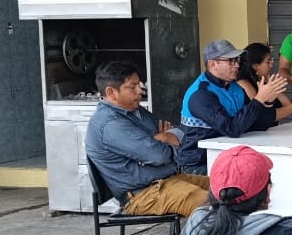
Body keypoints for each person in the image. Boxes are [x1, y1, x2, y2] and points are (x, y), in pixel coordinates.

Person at [84, 60, 210, 217]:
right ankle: (204, 233)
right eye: (132, 87)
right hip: (143, 194)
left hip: (167, 180)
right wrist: (166, 141)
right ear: (111, 92)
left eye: (139, 84)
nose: (140, 91)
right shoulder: (110, 124)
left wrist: (163, 140)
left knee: (226, 188)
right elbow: (159, 155)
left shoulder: (134, 110)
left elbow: (178, 132)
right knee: (210, 204)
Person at [177, 39, 285, 174]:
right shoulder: (201, 94)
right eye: (230, 61)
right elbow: (232, 129)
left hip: (229, 157)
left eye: (237, 60)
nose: (237, 65)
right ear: (212, 64)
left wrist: (267, 102)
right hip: (199, 164)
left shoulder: (235, 88)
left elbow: (255, 123)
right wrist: (258, 100)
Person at [237, 42, 292, 122]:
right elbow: (263, 115)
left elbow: (287, 104)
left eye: (271, 61)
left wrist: (274, 87)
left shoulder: (265, 80)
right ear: (255, 66)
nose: (271, 65)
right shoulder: (244, 83)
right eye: (268, 62)